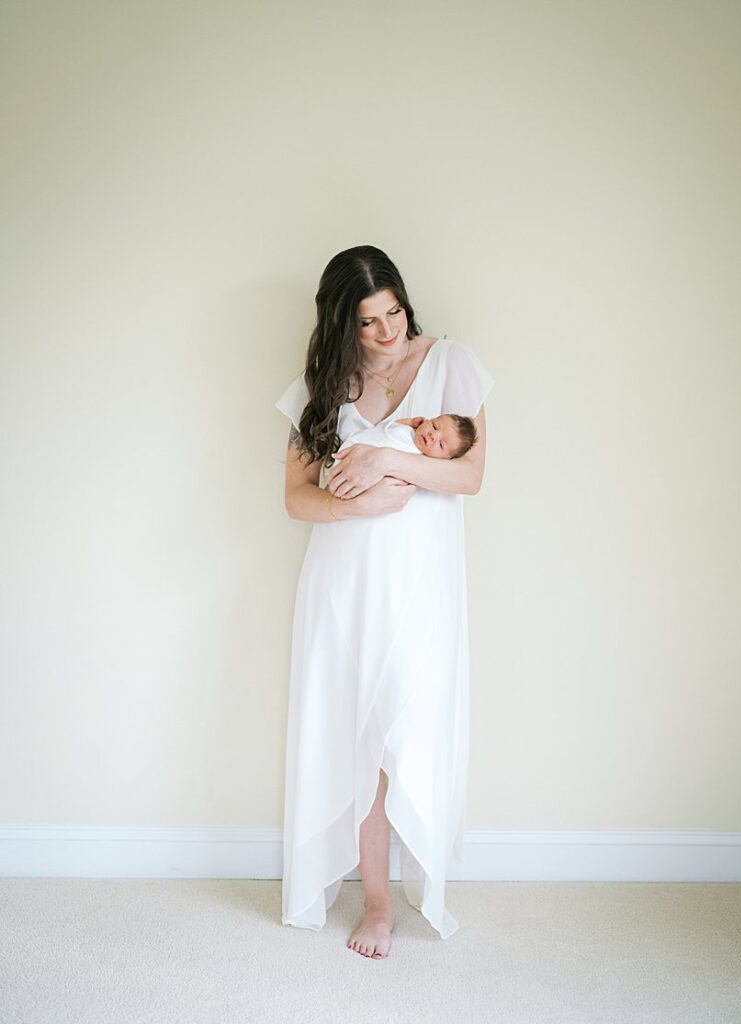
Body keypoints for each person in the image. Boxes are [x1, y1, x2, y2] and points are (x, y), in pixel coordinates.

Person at [275, 245, 494, 959]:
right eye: (368, 322)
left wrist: (388, 458)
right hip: (343, 589)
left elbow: (468, 479)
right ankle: (375, 905)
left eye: (393, 312)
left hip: (421, 592)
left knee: (411, 733)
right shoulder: (323, 387)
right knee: (359, 744)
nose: (386, 331)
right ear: (343, 324)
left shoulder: (451, 365)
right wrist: (358, 510)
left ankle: (415, 884)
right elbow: (296, 498)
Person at [314, 412, 478, 492]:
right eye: (434, 426)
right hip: (345, 450)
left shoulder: (416, 459)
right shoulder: (409, 430)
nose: (433, 435)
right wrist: (407, 422)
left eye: (441, 444)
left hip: (354, 475)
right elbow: (384, 429)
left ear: (443, 460)